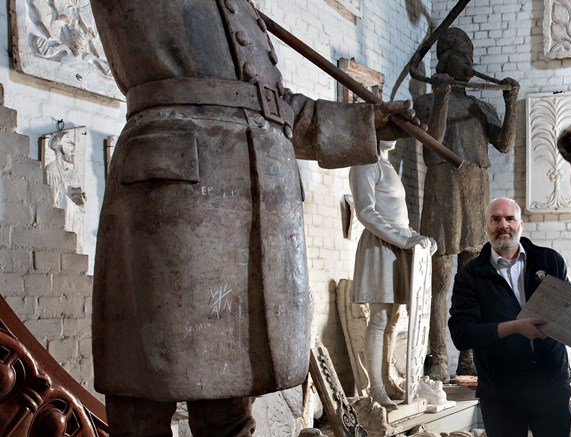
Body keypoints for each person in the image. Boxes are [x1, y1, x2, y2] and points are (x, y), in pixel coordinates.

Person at [88, 1, 419, 435]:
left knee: (229, 401)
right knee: (144, 395)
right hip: (174, 198)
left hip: (255, 204)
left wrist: (363, 125)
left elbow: (273, 108)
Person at [415, 27, 520, 380]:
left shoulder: (480, 106)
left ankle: (469, 357)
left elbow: (504, 144)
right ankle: (437, 355)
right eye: (464, 57)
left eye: (472, 58)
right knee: (440, 282)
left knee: (471, 285)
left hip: (475, 194)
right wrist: (441, 94)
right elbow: (434, 141)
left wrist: (510, 104)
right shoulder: (427, 103)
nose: (470, 65)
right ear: (446, 59)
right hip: (442, 195)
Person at [448, 197, 571, 437]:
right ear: (486, 226)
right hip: (501, 392)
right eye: (495, 219)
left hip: (551, 385)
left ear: (520, 224)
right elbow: (462, 334)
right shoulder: (470, 276)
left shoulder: (549, 260)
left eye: (509, 218)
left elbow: (566, 306)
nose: (503, 225)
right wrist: (514, 327)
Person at [349, 140, 437, 408]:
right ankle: (375, 388)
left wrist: (416, 237)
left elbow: (401, 220)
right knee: (379, 318)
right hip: (380, 245)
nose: (395, 134)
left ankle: (387, 379)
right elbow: (365, 212)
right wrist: (404, 239)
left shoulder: (387, 166)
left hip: (398, 245)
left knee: (394, 319)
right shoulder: (365, 163)